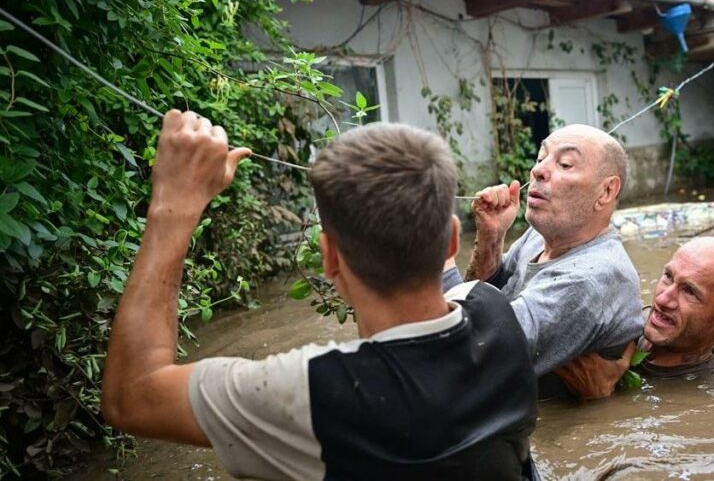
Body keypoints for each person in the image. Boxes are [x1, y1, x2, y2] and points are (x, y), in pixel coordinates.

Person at [101, 111, 538, 480]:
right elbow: (454, 299)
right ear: (451, 241)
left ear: (328, 257)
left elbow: (132, 395)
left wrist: (172, 205)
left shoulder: (314, 392)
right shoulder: (496, 310)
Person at [443, 124, 644, 398]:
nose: (538, 171)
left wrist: (438, 257)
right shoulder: (541, 236)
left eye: (565, 164)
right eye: (541, 159)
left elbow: (465, 353)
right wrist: (491, 239)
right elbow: (486, 298)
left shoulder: (589, 278)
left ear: (607, 191)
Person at [556, 236, 714, 398]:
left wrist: (597, 398)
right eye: (668, 277)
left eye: (689, 292)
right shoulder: (621, 317)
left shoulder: (703, 397)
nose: (663, 299)